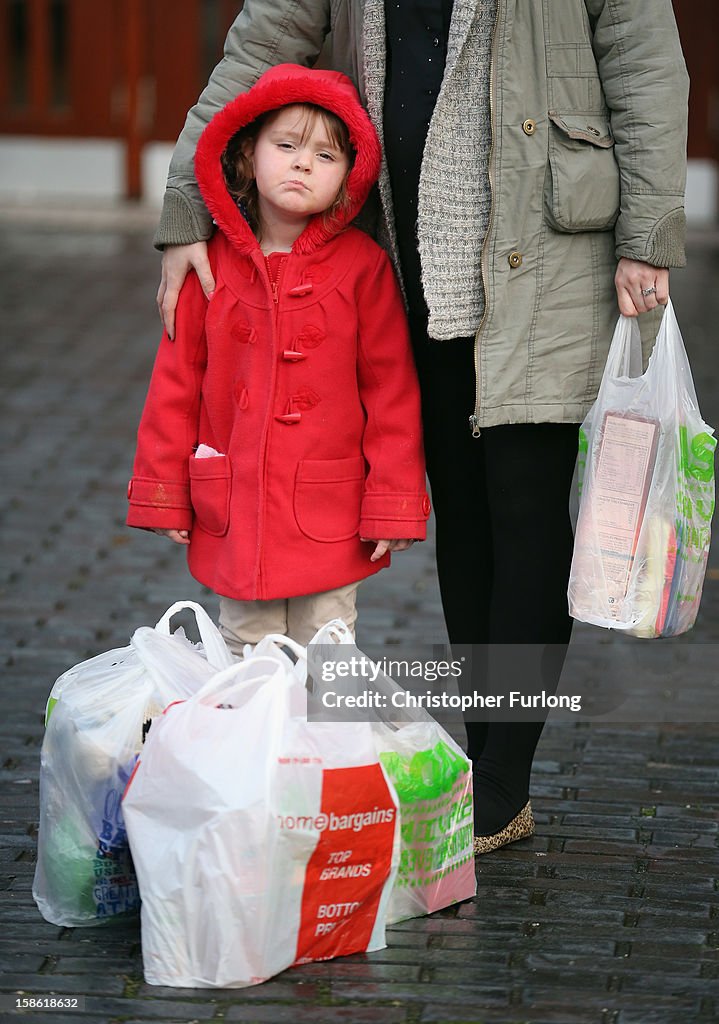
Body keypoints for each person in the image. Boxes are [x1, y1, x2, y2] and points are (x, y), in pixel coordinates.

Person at [151, 1, 689, 852]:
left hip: (546, 242)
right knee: (465, 519)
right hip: (408, 253)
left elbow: (640, 55)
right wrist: (190, 200)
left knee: (523, 508)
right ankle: (484, 764)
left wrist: (648, 231)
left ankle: (502, 777)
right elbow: (263, 42)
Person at [127, 63, 430, 651]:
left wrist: (393, 501)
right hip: (237, 507)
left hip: (329, 510)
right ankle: (254, 745)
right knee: (244, 649)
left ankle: (326, 747)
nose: (301, 164)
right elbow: (175, 382)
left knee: (328, 648)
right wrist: (163, 487)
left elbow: (390, 390)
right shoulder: (207, 265)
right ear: (246, 156)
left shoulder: (363, 268)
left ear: (349, 177)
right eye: (286, 145)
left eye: (325, 156)